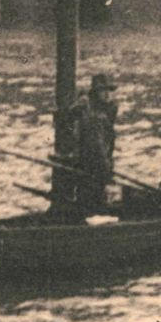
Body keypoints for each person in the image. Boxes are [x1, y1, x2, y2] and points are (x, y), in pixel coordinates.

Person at [53, 73, 119, 220]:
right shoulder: (95, 116)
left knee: (90, 207)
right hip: (92, 169)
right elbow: (98, 147)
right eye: (103, 90)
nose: (108, 94)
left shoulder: (103, 111)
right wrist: (108, 173)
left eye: (109, 90)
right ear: (96, 92)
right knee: (93, 208)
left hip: (90, 168)